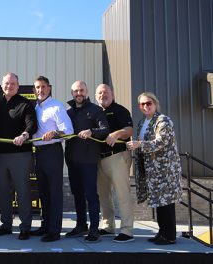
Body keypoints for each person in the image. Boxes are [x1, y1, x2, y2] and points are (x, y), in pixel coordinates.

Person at [126, 92, 182, 245]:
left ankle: (169, 236)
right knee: (158, 202)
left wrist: (139, 144)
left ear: (155, 104)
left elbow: (161, 141)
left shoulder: (163, 120)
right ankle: (162, 232)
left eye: (149, 103)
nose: (145, 106)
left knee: (166, 204)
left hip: (164, 170)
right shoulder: (142, 122)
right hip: (150, 170)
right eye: (142, 104)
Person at [0, 72, 37, 240]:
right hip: (1, 155)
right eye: (6, 83)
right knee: (3, 192)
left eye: (12, 84)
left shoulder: (25, 104)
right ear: (2, 85)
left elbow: (32, 124)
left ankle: (25, 227)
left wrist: (24, 135)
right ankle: (6, 225)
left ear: (18, 86)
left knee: (23, 192)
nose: (9, 86)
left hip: (21, 155)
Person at [30, 76, 73, 242]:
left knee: (54, 192)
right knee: (43, 192)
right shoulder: (36, 107)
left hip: (52, 152)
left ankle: (54, 231)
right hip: (38, 152)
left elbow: (68, 131)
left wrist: (55, 133)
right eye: (37, 87)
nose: (40, 90)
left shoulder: (56, 107)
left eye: (43, 87)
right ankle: (45, 225)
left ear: (49, 88)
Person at [65, 80, 109, 243]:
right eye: (76, 91)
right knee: (77, 194)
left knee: (90, 194)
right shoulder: (68, 113)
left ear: (87, 92)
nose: (79, 93)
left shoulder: (96, 110)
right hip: (72, 160)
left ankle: (94, 229)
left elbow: (105, 130)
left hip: (89, 160)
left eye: (82, 90)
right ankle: (81, 225)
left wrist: (92, 131)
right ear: (72, 93)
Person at [95, 84, 135, 243]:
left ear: (112, 94)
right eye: (99, 93)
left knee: (122, 194)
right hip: (99, 159)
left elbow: (129, 130)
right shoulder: (96, 112)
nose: (102, 95)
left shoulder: (120, 110)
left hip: (117, 157)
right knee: (103, 195)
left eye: (105, 92)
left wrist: (117, 133)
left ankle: (127, 230)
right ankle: (108, 226)